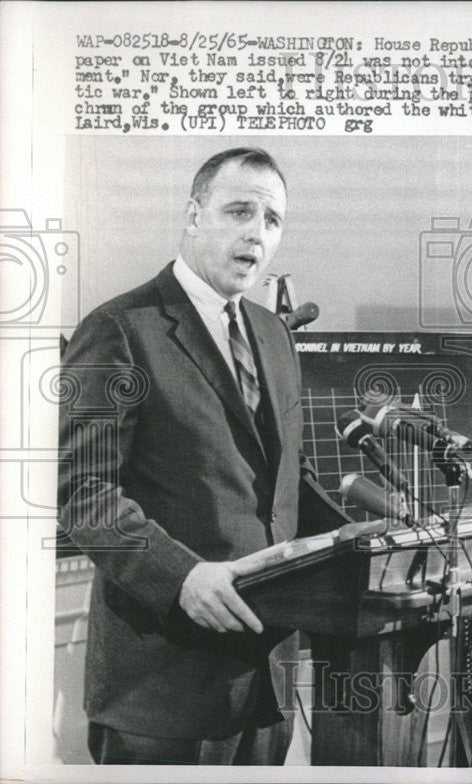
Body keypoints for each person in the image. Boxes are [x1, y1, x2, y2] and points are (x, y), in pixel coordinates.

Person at [58, 147, 347, 765]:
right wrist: (182, 577)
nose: (256, 234)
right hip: (162, 687)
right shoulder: (120, 329)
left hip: (265, 680)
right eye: (239, 211)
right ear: (193, 215)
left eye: (272, 221)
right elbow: (84, 494)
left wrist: (362, 540)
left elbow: (283, 480)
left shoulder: (272, 334)